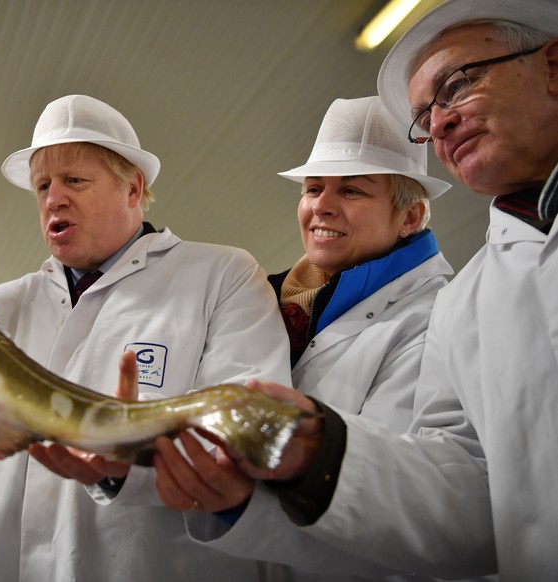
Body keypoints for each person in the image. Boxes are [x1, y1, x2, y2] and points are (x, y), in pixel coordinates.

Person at [0, 93, 293, 581]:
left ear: (133, 190)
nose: (55, 198)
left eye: (75, 180)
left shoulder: (221, 274)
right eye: (43, 186)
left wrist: (130, 458)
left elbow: (245, 427)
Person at [187, 0, 558, 579]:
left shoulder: (436, 311)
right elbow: (467, 494)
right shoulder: (468, 304)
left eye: (457, 85)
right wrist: (316, 454)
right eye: (425, 114)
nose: (439, 122)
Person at [153, 96, 470, 581]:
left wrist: (241, 505)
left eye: (352, 191)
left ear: (410, 217)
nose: (322, 205)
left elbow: (389, 505)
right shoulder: (270, 305)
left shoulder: (433, 321)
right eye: (313, 188)